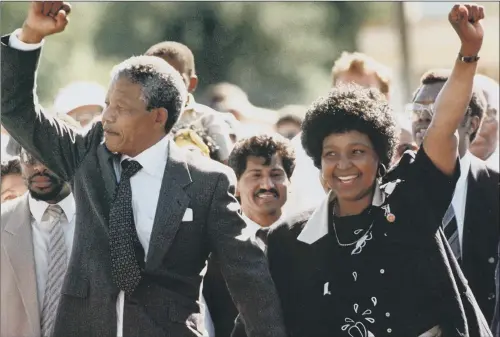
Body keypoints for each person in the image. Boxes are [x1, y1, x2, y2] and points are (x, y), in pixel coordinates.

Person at [0, 2, 287, 337]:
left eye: (120, 108)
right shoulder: (84, 155)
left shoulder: (207, 183)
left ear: (157, 117)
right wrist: (31, 36)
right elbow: (14, 108)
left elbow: (249, 281)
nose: (106, 116)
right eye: (107, 104)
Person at [260, 4, 492, 336]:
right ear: (318, 159)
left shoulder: (409, 202)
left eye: (357, 152)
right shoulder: (289, 238)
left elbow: (442, 128)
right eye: (331, 154)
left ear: (380, 157)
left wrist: (468, 53)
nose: (343, 165)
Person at [411, 68, 499, 324]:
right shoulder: (390, 190)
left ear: (472, 123)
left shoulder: (495, 189)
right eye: (418, 111)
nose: (424, 120)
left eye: (438, 111)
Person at [204, 134, 296, 337]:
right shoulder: (214, 250)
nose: (267, 185)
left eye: (276, 174)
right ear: (236, 185)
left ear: (290, 181)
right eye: (256, 175)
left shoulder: (307, 240)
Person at [1, 148, 74, 337]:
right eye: (30, 157)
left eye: (50, 156)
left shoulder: (103, 218)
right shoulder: (3, 222)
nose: (40, 167)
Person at [144, 41, 234, 164]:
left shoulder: (205, 118)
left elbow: (227, 163)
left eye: (174, 79)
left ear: (191, 83)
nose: (164, 85)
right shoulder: (141, 116)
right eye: (154, 79)